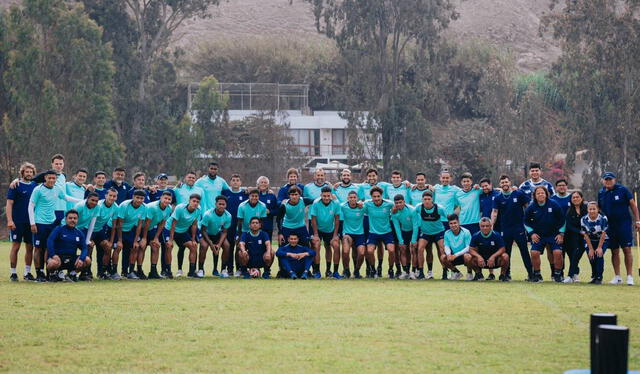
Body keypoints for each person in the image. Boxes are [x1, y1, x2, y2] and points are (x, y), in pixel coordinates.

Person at [28, 170, 80, 282]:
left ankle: (49, 273)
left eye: (54, 178)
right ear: (45, 178)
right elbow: (30, 206)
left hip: (51, 223)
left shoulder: (57, 189)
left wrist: (82, 200)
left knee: (49, 247)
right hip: (39, 223)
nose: (52, 180)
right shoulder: (38, 190)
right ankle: (39, 272)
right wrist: (32, 223)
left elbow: (66, 197)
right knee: (38, 248)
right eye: (49, 178)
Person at [597, 171, 639, 286]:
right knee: (614, 251)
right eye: (606, 180)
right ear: (603, 181)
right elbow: (599, 209)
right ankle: (617, 276)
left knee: (627, 249)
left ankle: (629, 276)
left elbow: (633, 205)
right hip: (609, 226)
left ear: (614, 180)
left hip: (624, 224)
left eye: (610, 179)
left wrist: (638, 220)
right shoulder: (601, 192)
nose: (608, 181)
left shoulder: (623, 190)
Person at [491, 175, 533, 281]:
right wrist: (491, 225)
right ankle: (506, 274)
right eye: (502, 182)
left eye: (506, 182)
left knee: (524, 251)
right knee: (506, 252)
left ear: (510, 182)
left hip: (519, 228)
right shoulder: (498, 198)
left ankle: (531, 274)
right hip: (505, 229)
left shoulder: (518, 194)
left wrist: (530, 221)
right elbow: (494, 212)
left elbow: (528, 207)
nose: (505, 184)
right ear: (500, 184)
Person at [524, 186, 565, 283]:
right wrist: (532, 233)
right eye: (538, 193)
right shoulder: (531, 207)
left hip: (553, 234)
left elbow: (562, 220)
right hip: (539, 235)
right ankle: (537, 274)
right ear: (534, 196)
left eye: (542, 193)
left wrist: (561, 234)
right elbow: (525, 222)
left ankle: (558, 274)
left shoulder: (554, 204)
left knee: (557, 252)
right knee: (534, 252)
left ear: (546, 194)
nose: (540, 195)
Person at [6, 162, 37, 281]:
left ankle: (27, 273)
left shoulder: (35, 185)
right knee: (16, 247)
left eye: (31, 172)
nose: (29, 174)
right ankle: (13, 273)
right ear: (22, 173)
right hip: (17, 222)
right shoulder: (15, 185)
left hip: (31, 222)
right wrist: (10, 220)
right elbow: (9, 203)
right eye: (26, 172)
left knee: (30, 248)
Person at [172, 171, 204, 276]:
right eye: (189, 177)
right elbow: (170, 196)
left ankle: (193, 270)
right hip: (179, 223)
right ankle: (179, 269)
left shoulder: (199, 190)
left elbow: (201, 205)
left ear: (196, 179)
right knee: (181, 247)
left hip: (192, 222)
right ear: (185, 178)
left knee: (193, 245)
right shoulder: (179, 188)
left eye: (193, 178)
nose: (191, 179)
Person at [45, 209, 91, 282]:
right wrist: (53, 255)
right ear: (66, 219)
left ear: (77, 220)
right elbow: (49, 241)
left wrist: (81, 259)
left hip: (71, 259)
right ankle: (53, 274)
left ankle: (71, 275)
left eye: (75, 218)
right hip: (58, 258)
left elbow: (84, 248)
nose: (72, 220)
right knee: (52, 263)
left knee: (87, 260)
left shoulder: (79, 233)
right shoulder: (59, 229)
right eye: (70, 218)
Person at [411, 191, 447, 280]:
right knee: (420, 249)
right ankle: (422, 272)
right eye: (425, 199)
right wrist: (414, 239)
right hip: (425, 233)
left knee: (442, 249)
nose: (427, 201)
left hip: (438, 232)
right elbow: (414, 222)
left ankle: (445, 272)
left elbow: (449, 219)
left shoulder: (440, 208)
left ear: (432, 200)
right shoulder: (418, 208)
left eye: (429, 199)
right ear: (422, 200)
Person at [164, 194, 202, 278]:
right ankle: (168, 271)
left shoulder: (198, 210)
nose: (195, 203)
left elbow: (194, 225)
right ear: (189, 201)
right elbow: (173, 224)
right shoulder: (180, 208)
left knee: (193, 246)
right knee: (169, 247)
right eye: (194, 201)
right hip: (169, 229)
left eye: (197, 202)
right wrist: (170, 240)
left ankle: (191, 272)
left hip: (183, 231)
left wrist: (193, 239)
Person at [362, 186, 395, 278]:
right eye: (374, 197)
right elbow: (358, 206)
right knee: (369, 251)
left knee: (392, 250)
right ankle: (373, 269)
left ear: (382, 196)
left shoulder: (389, 204)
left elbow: (397, 208)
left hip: (387, 232)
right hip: (373, 233)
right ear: (371, 197)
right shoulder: (367, 204)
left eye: (378, 196)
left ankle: (390, 270)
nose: (376, 198)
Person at [309, 186, 342, 278]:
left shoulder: (335, 203)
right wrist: (315, 234)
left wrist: (335, 235)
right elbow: (313, 219)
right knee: (316, 245)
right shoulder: (316, 203)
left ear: (331, 195)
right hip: (318, 229)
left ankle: (332, 272)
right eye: (324, 196)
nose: (326, 198)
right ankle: (317, 271)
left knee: (335, 245)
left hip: (330, 229)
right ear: (321, 195)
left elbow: (337, 220)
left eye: (328, 196)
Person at [67, 192, 100, 280]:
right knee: (71, 248)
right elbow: (71, 220)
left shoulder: (97, 207)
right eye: (92, 200)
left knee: (89, 246)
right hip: (71, 228)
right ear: (87, 199)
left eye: (96, 201)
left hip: (82, 229)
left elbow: (92, 225)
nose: (94, 203)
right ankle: (69, 272)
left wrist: (88, 240)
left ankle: (84, 273)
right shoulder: (80, 206)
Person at [140, 191, 173, 279]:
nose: (167, 200)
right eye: (165, 198)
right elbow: (146, 223)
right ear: (161, 198)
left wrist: (155, 238)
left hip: (151, 229)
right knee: (142, 247)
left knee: (156, 246)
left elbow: (162, 223)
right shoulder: (152, 207)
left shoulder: (169, 208)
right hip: (140, 228)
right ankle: (139, 271)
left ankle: (153, 272)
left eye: (169, 199)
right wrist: (144, 238)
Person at [116, 190, 147, 279]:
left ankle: (128, 272)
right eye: (137, 198)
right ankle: (113, 271)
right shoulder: (124, 205)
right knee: (117, 248)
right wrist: (119, 240)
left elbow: (139, 225)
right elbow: (119, 224)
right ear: (133, 197)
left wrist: (135, 241)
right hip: (118, 229)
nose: (139, 200)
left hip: (129, 230)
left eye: (142, 198)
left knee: (133, 248)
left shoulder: (144, 207)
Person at [236, 188, 268, 276]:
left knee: (258, 248)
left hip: (257, 231)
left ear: (259, 197)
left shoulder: (262, 206)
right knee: (239, 249)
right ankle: (239, 269)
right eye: (252, 196)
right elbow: (239, 221)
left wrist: (261, 235)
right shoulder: (242, 206)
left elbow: (262, 221)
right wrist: (239, 236)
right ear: (249, 196)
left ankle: (260, 269)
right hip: (244, 231)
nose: (254, 197)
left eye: (256, 196)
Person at [199, 195, 232, 278]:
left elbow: (224, 232)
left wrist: (219, 244)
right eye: (219, 204)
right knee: (204, 246)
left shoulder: (228, 216)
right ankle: (200, 270)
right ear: (215, 204)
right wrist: (211, 244)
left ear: (226, 205)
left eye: (223, 204)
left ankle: (223, 270)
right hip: (206, 234)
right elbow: (203, 230)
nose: (221, 206)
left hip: (217, 234)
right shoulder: (208, 214)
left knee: (227, 246)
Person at [223, 174, 249, 276]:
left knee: (239, 247)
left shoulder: (245, 194)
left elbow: (255, 193)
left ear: (241, 182)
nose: (235, 182)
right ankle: (229, 269)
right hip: (228, 225)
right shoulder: (225, 193)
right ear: (230, 182)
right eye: (233, 180)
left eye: (237, 180)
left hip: (240, 225)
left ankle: (239, 269)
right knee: (229, 247)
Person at [581, 202, 609, 284]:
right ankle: (594, 276)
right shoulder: (583, 219)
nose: (592, 211)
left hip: (602, 240)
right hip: (590, 241)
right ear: (587, 210)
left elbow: (603, 234)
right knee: (591, 257)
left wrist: (599, 247)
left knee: (598, 255)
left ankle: (599, 277)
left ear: (598, 210)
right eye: (590, 209)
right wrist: (590, 248)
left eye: (594, 209)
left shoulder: (603, 218)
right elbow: (585, 235)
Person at [340, 191, 366, 278]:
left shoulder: (362, 207)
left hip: (360, 234)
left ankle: (356, 271)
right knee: (346, 251)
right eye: (350, 197)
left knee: (361, 253)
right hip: (347, 233)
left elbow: (371, 203)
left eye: (354, 197)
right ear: (348, 198)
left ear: (357, 198)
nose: (352, 199)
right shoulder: (343, 206)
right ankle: (346, 270)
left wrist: (362, 203)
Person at [95, 188, 120, 280]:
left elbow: (114, 226)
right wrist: (88, 238)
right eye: (110, 195)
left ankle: (102, 272)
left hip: (99, 230)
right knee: (89, 247)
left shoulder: (116, 207)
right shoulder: (98, 205)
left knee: (107, 247)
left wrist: (111, 241)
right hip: (88, 229)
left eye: (114, 196)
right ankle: (86, 272)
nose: (112, 198)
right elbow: (91, 221)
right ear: (105, 196)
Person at [563, 191, 587, 283]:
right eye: (573, 197)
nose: (575, 199)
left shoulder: (587, 208)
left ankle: (570, 275)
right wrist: (580, 231)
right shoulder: (569, 210)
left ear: (581, 198)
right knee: (572, 256)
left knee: (576, 255)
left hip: (585, 237)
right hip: (571, 236)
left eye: (577, 197)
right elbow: (569, 225)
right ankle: (574, 274)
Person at [441, 214, 473, 280]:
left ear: (458, 222)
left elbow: (468, 248)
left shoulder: (466, 232)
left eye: (455, 223)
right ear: (449, 224)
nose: (453, 225)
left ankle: (469, 273)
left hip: (463, 256)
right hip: (453, 257)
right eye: (451, 223)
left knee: (468, 256)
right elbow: (446, 246)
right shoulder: (447, 233)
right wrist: (449, 254)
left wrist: (456, 255)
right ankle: (456, 272)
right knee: (443, 257)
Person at [390, 195, 414, 279]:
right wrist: (401, 241)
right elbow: (397, 227)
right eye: (396, 203)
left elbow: (415, 226)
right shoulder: (394, 212)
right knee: (403, 249)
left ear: (404, 202)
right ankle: (405, 271)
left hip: (414, 231)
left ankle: (414, 271)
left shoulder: (411, 210)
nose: (398, 204)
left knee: (413, 250)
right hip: (404, 231)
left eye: (400, 202)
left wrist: (414, 240)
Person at [257, 176, 278, 241]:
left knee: (268, 244)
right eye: (262, 182)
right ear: (258, 184)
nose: (263, 184)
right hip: (256, 225)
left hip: (268, 225)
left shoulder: (271, 195)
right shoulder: (254, 194)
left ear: (268, 184)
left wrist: (270, 212)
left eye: (265, 182)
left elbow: (277, 211)